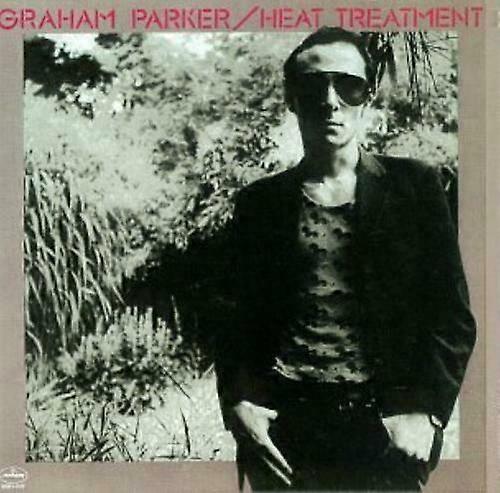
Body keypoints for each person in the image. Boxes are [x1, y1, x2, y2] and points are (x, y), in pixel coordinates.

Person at [214, 27, 476, 492]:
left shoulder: (415, 188)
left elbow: (452, 317)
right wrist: (238, 404)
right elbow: (232, 319)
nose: (330, 101)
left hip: (385, 430)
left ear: (368, 95)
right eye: (313, 86)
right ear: (291, 99)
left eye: (348, 85)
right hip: (284, 429)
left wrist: (426, 413)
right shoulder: (260, 204)